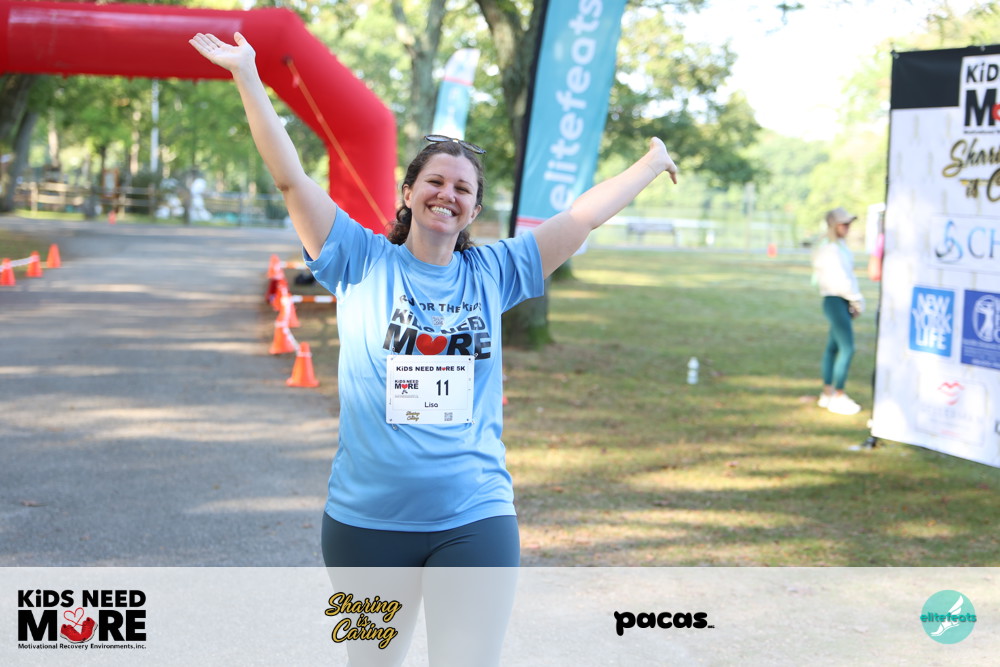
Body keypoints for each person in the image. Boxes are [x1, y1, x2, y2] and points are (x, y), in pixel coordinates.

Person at [189, 31, 676, 666]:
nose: (447, 194)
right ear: (409, 192)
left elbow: (580, 218)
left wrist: (650, 163)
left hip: (475, 516)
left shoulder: (495, 272)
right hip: (367, 525)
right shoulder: (359, 259)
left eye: (462, 189)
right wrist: (248, 73)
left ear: (473, 210)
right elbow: (290, 178)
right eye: (436, 181)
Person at [812, 206, 864, 416]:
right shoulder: (831, 249)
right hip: (836, 299)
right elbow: (842, 280)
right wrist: (856, 300)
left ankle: (827, 392)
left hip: (840, 300)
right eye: (844, 224)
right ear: (835, 225)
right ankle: (838, 395)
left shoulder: (838, 247)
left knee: (833, 347)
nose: (848, 227)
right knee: (847, 348)